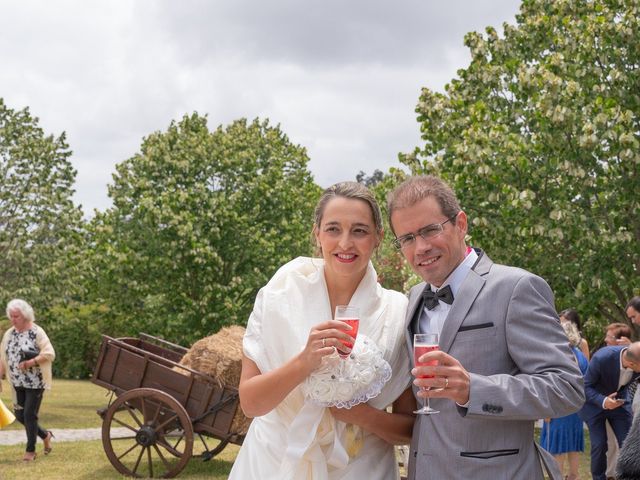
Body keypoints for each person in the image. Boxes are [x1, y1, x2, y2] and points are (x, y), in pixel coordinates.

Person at [387, 175, 585, 480]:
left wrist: (472, 389)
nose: (421, 247)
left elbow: (566, 388)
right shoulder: (414, 297)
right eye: (408, 238)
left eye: (430, 230)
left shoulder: (517, 287)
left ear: (461, 224)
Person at [228, 182, 415, 480]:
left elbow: (410, 429)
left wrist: (360, 414)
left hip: (361, 468)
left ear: (378, 237)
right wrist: (304, 362)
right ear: (316, 234)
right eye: (333, 229)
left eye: (359, 230)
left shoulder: (399, 311)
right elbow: (251, 404)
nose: (345, 243)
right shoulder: (279, 294)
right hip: (274, 462)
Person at [0, 299, 55, 461]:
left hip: (35, 382)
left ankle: (30, 450)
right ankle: (45, 435)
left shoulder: (37, 332)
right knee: (20, 415)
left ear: (25, 315)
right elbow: (3, 357)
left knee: (29, 414)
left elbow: (50, 353)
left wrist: (31, 362)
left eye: (16, 316)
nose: (13, 319)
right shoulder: (9, 334)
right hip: (17, 383)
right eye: (11, 316)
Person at [579, 342, 640, 480]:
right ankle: (599, 478)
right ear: (632, 364)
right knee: (599, 444)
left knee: (630, 442)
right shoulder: (602, 358)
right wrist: (604, 401)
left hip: (619, 404)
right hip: (594, 405)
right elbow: (585, 387)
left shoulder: (636, 358)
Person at [540, 321, 588, 480]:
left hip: (560, 407)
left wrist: (547, 409)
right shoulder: (579, 354)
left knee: (557, 448)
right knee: (573, 446)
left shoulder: (560, 354)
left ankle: (558, 477)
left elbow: (551, 382)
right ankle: (573, 476)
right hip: (576, 408)